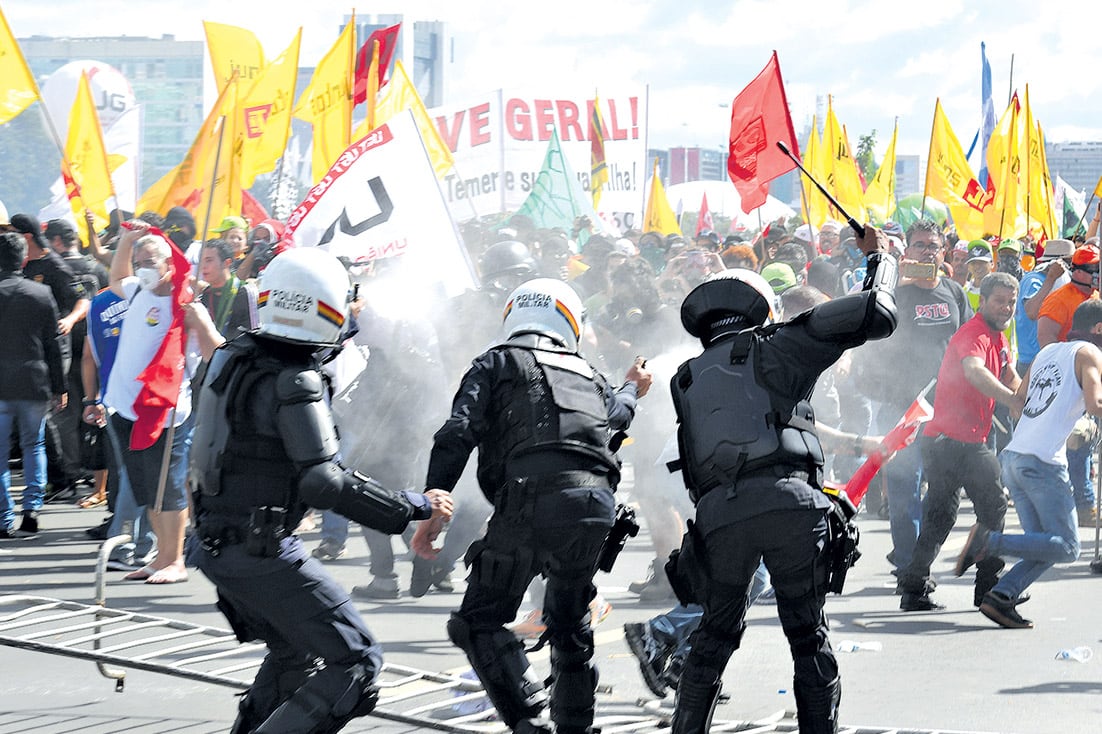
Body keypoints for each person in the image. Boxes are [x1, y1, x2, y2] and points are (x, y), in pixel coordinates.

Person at [187, 247, 453, 733]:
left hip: (214, 544)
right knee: (357, 663)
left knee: (296, 655)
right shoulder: (295, 377)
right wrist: (414, 506)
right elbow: (323, 480)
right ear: (324, 307)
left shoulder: (228, 357)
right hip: (260, 549)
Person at [664, 224, 897, 734]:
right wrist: (879, 257)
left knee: (713, 636)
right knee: (807, 635)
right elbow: (877, 312)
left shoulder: (685, 378)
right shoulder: (778, 343)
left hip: (720, 518)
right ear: (763, 308)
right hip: (791, 504)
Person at [412, 277, 652, 734]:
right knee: (569, 624)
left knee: (477, 622)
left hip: (528, 502)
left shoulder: (496, 361)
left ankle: (530, 717)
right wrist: (630, 387)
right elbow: (617, 415)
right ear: (569, 321)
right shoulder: (588, 372)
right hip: (596, 506)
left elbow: (455, 434)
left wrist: (433, 505)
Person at [958, 299, 1102, 628]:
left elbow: (1018, 403)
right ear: (1098, 329)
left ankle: (1001, 597)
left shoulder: (1045, 353)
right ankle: (988, 542)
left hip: (1014, 458)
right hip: (1042, 463)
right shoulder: (1091, 354)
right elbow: (1095, 404)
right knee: (1066, 547)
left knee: (1044, 546)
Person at [98, 221, 222, 584]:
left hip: (164, 412)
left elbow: (218, 353)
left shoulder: (186, 304)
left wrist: (200, 322)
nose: (143, 268)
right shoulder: (137, 291)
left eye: (151, 260)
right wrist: (126, 241)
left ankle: (175, 560)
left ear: (170, 263)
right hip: (125, 407)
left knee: (168, 487)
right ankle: (159, 558)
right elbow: (116, 277)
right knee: (147, 489)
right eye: (140, 261)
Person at [897, 273, 1022, 612]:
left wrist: (1029, 397)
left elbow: (1009, 373)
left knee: (941, 515)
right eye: (999, 301)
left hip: (946, 441)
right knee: (994, 506)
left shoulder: (998, 336)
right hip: (957, 441)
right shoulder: (974, 333)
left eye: (1011, 302)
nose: (1006, 308)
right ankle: (987, 589)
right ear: (982, 301)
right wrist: (1011, 399)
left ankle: (913, 588)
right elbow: (974, 371)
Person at [853, 220, 970, 571]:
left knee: (943, 494)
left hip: (947, 409)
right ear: (907, 252)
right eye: (920, 246)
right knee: (905, 490)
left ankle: (919, 554)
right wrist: (893, 282)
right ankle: (909, 563)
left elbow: (968, 343)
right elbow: (869, 336)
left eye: (933, 247)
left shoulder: (954, 292)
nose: (927, 252)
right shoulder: (894, 295)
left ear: (943, 251)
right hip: (902, 408)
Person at [0, 231, 67, 536]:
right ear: (23, 258)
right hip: (33, 380)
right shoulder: (40, 294)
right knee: (33, 444)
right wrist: (60, 386)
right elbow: (53, 344)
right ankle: (32, 509)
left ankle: (3, 517)